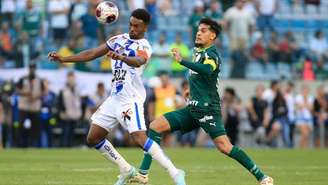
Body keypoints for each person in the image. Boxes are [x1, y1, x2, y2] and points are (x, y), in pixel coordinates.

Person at [48, 9, 185, 185]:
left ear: (145, 27)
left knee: (139, 138)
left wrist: (120, 56)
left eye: (137, 26)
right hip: (114, 98)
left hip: (131, 99)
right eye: (130, 24)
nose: (132, 28)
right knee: (93, 137)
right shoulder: (118, 39)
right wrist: (65, 59)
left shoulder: (144, 46)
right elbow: (92, 53)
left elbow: (138, 61)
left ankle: (174, 172)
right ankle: (126, 169)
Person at [130, 17, 274, 185]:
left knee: (225, 147)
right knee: (155, 126)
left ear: (212, 36)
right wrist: (191, 89)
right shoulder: (197, 52)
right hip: (193, 108)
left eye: (203, 31)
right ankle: (143, 174)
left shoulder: (212, 54)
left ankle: (262, 177)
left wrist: (182, 61)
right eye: (198, 30)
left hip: (208, 110)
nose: (198, 33)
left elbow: (207, 70)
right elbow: (204, 77)